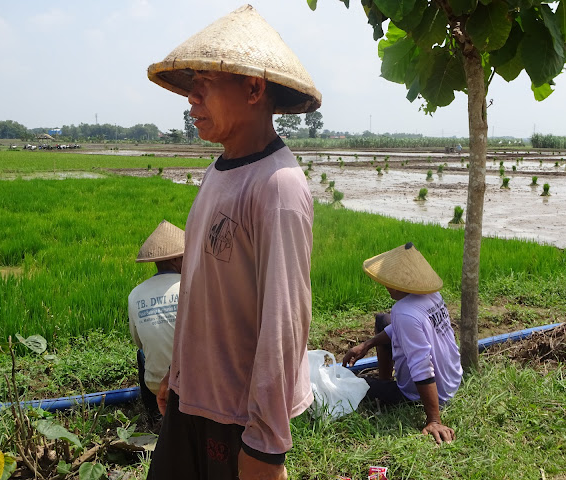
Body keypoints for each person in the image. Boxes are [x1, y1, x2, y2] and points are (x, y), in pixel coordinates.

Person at [145, 5, 320, 480]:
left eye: (206, 81)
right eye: (191, 84)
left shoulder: (277, 186)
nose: (191, 97)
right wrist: (177, 373)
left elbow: (284, 323)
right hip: (193, 397)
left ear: (254, 88)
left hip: (238, 418)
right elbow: (200, 288)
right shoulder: (218, 172)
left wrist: (265, 446)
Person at [342, 242, 463, 445]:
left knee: (351, 384)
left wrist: (434, 419)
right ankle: (385, 380)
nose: (387, 285)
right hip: (452, 380)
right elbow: (395, 328)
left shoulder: (405, 312)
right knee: (383, 320)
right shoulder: (431, 294)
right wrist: (367, 344)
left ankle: (389, 391)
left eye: (391, 281)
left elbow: (422, 367)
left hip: (429, 393)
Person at [128, 220, 184, 423]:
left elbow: (139, 343)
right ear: (177, 259)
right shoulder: (191, 287)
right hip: (193, 384)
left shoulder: (135, 294)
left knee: (141, 354)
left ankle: (154, 415)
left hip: (155, 383)